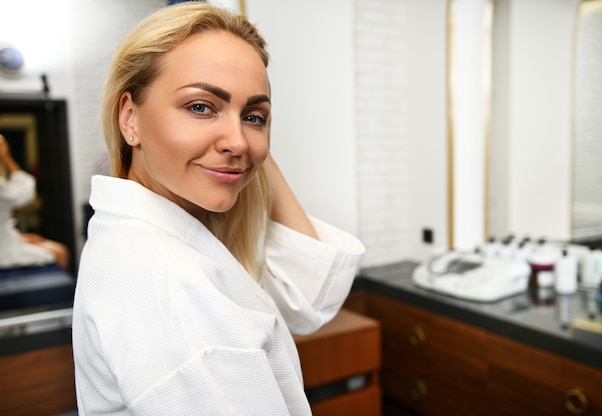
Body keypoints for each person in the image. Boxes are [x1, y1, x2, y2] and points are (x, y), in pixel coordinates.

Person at [71, 2, 365, 415]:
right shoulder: (170, 282)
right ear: (130, 118)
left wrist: (235, 142)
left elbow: (308, 300)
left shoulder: (154, 237)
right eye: (200, 106)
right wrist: (237, 134)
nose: (239, 141)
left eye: (255, 116)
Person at [0, 133, 68, 269]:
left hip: (6, 240)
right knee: (60, 252)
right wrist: (5, 157)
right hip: (4, 252)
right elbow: (27, 193)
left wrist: (20, 238)